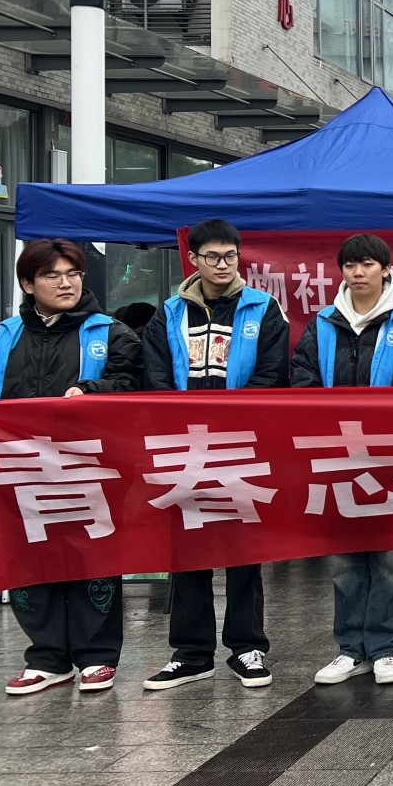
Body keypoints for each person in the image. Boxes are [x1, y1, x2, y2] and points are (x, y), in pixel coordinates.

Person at [0, 239, 141, 694]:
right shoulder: (2, 335)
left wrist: (94, 391)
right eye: (52, 275)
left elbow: (134, 386)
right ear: (28, 284)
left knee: (93, 557)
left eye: (73, 274)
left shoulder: (112, 333)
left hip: (90, 468)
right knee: (30, 559)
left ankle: (97, 655)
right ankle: (47, 658)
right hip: (21, 467)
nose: (66, 283)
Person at [139, 219, 290, 691]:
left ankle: (247, 646)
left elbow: (273, 373)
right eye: (212, 257)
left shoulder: (263, 308)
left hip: (241, 443)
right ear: (193, 259)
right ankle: (191, 653)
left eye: (230, 256)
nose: (223, 265)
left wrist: (233, 421)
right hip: (184, 445)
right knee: (188, 550)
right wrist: (178, 425)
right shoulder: (169, 313)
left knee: (244, 549)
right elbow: (155, 376)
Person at [292, 233, 393, 686]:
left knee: (388, 557)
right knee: (344, 559)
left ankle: (387, 648)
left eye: (368, 264)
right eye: (350, 265)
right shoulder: (323, 323)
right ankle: (350, 649)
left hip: (388, 454)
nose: (358, 272)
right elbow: (302, 379)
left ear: (386, 270)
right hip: (335, 454)